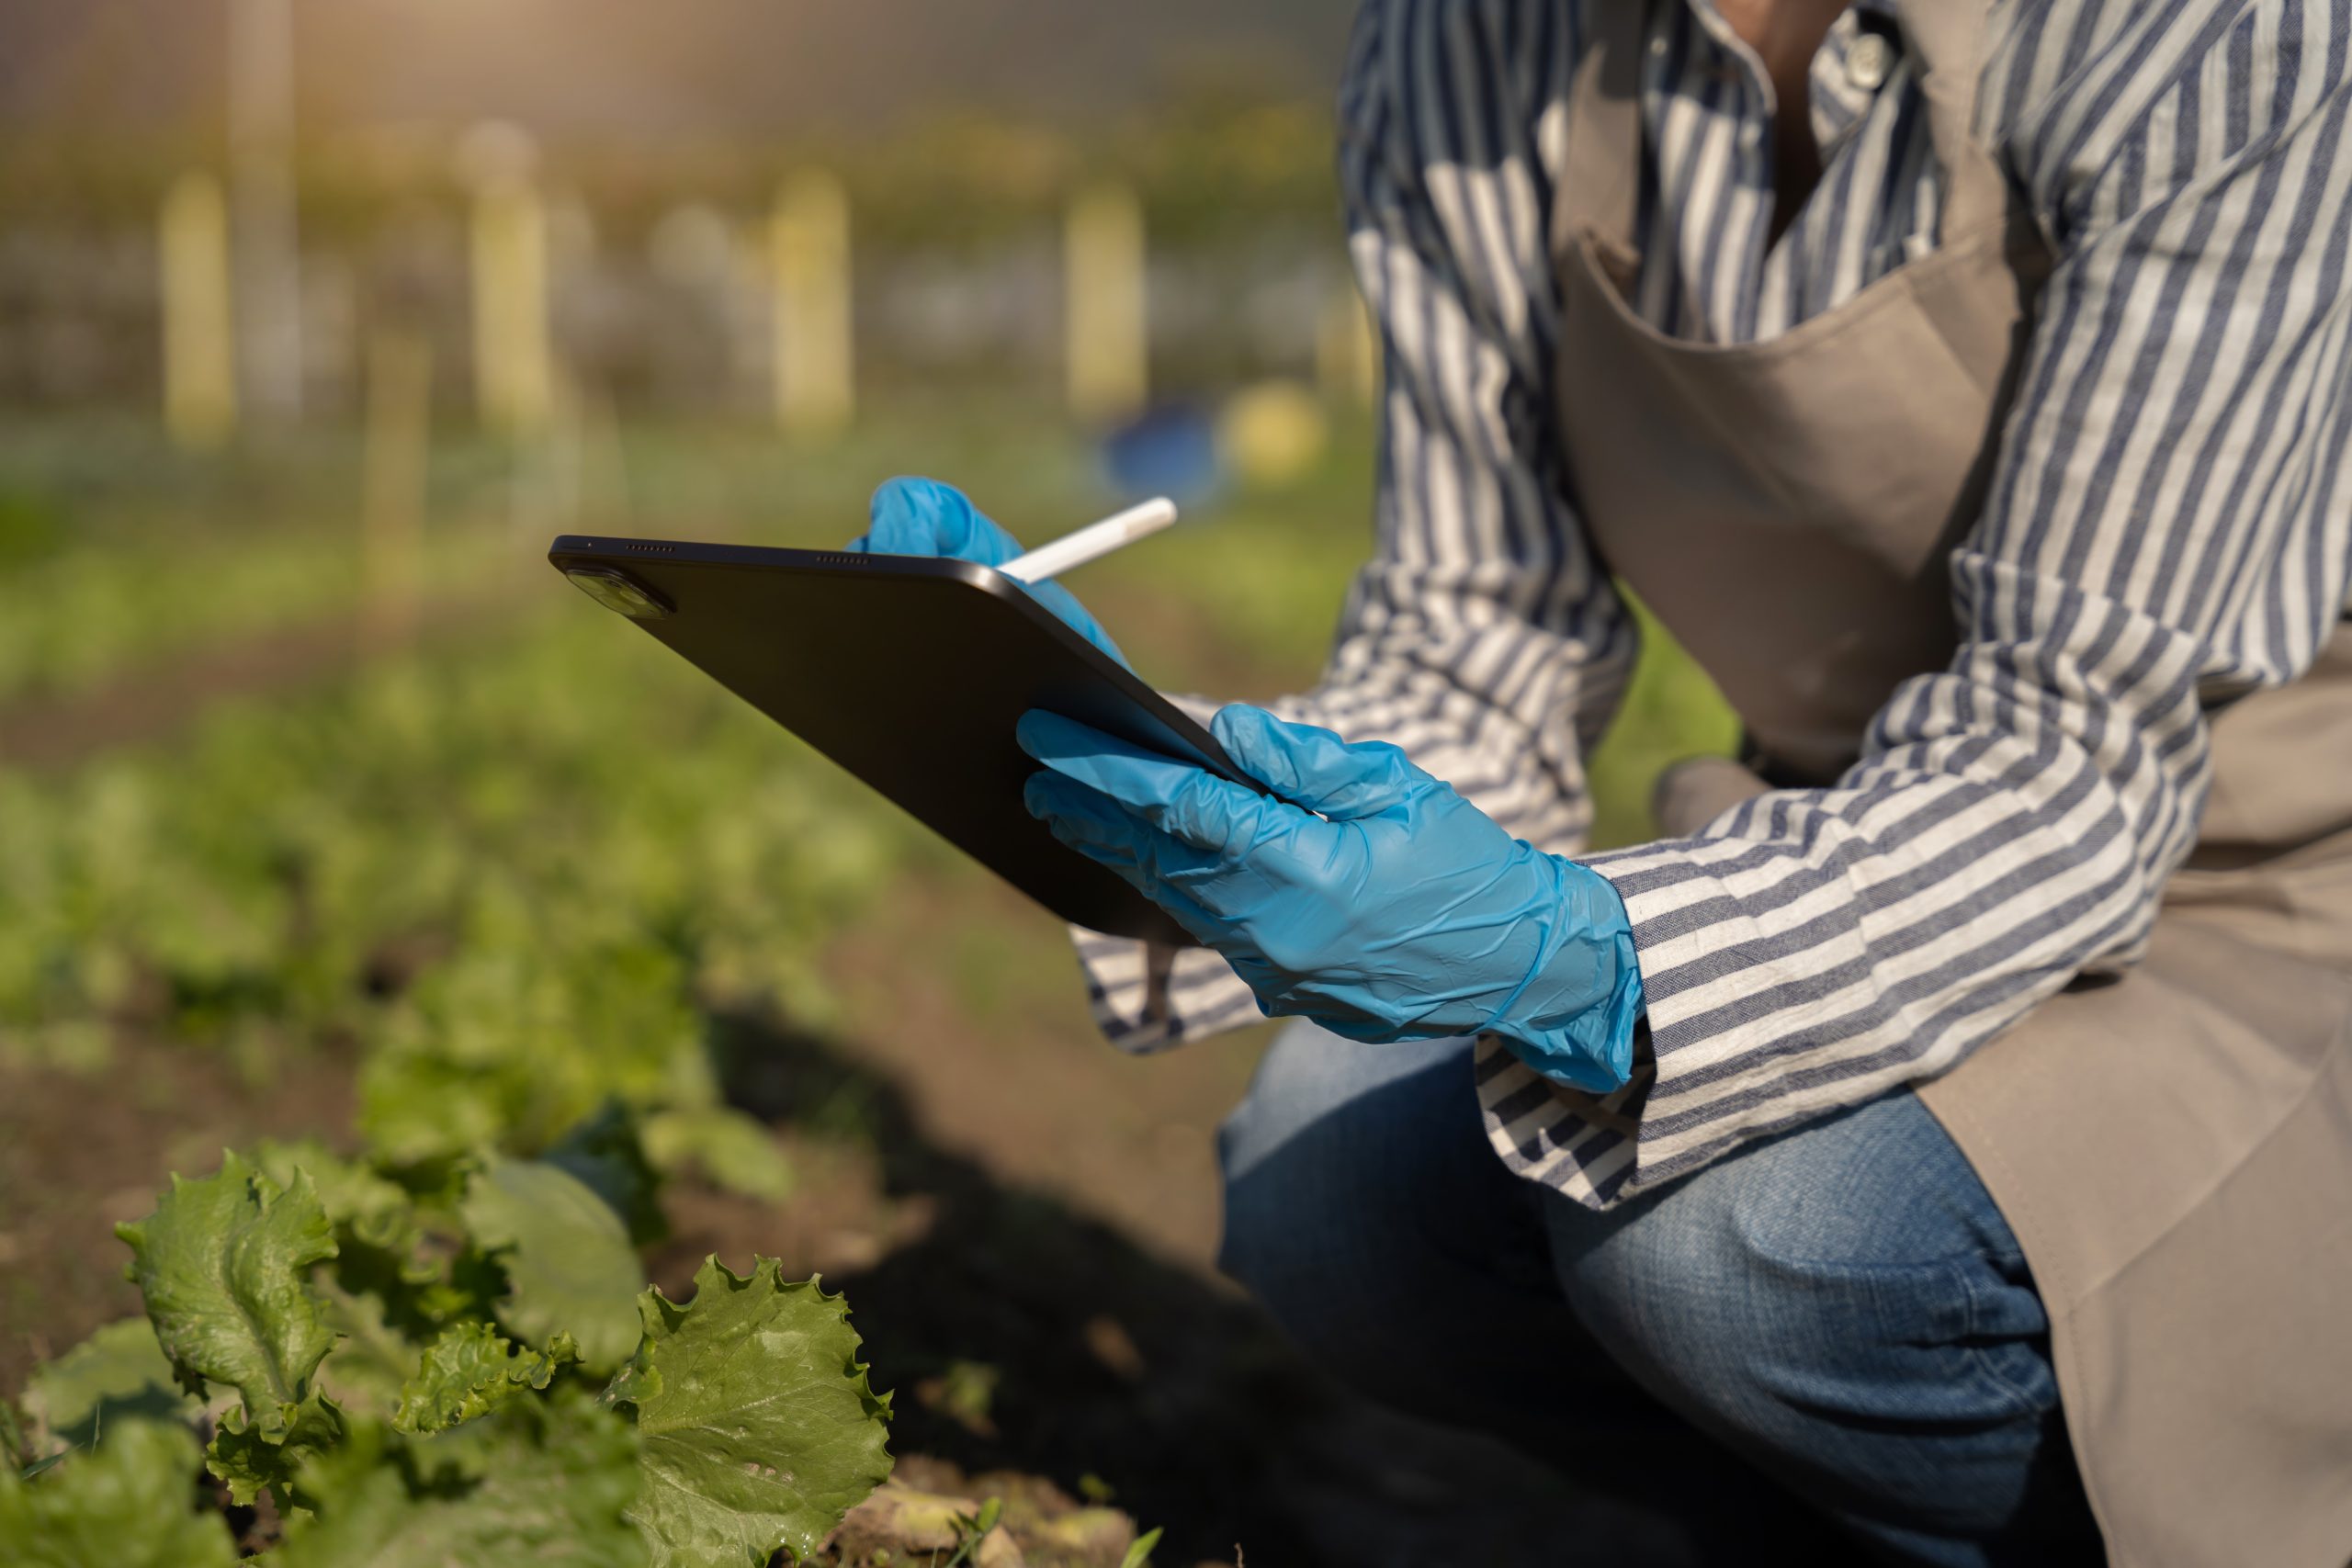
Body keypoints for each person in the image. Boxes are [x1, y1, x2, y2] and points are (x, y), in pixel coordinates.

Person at [851, 1, 2352, 1562]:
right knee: (1334, 1195)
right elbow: (1479, 653)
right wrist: (1136, 750)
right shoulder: (1466, 42)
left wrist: (1590, 958)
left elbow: (2064, 763)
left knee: (1747, 1251)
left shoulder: (2205, 36)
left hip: (2250, 898)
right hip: (1840, 839)